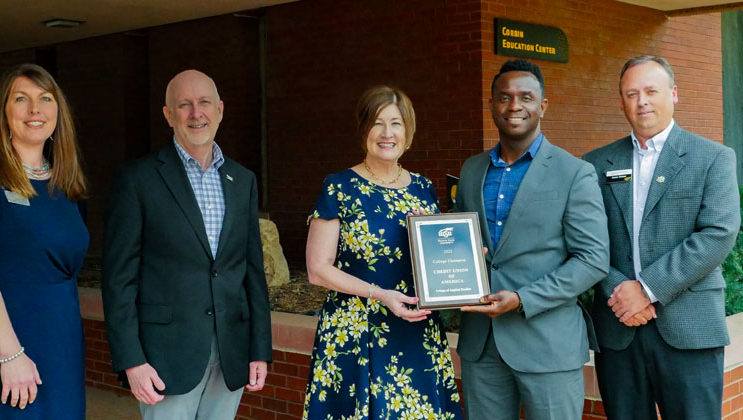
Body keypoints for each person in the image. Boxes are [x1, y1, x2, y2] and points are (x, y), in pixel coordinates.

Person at [102, 69, 271, 420]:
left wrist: (260, 349)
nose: (196, 113)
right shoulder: (137, 179)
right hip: (165, 357)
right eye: (185, 105)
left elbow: (252, 271)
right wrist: (131, 359)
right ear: (168, 114)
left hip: (231, 353)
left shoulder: (242, 180)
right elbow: (119, 280)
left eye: (204, 103)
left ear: (220, 109)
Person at [583, 55, 740, 420]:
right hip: (619, 327)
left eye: (651, 91)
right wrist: (620, 289)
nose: (642, 101)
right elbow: (585, 240)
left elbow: (718, 234)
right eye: (631, 93)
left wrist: (647, 289)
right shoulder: (594, 164)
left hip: (689, 329)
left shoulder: (713, 158)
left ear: (674, 94)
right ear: (621, 101)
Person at [452, 59, 610, 420]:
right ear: (491, 104)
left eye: (526, 97)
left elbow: (593, 259)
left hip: (548, 343)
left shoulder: (575, 172)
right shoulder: (472, 169)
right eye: (504, 97)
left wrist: (523, 299)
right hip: (483, 345)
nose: (514, 106)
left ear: (543, 106)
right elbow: (467, 247)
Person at [303, 86, 463, 420]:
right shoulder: (339, 186)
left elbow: (433, 260)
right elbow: (318, 269)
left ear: (409, 132)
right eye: (378, 123)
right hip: (356, 332)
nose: (387, 133)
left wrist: (462, 256)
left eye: (396, 124)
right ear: (364, 130)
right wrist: (379, 295)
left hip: (416, 332)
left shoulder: (423, 188)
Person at [0, 63, 89, 419]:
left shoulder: (67, 186)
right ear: (3, 112)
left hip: (59, 342)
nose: (35, 110)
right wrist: (10, 354)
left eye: (45, 99)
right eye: (21, 99)